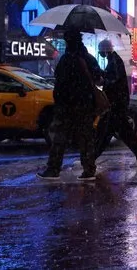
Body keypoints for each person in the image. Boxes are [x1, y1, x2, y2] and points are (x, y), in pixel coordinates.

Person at [37, 30, 99, 181]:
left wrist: (60, 99)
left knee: (59, 137)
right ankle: (89, 169)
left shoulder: (66, 60)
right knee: (85, 137)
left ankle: (53, 169)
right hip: (85, 104)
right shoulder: (89, 59)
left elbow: (60, 83)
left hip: (66, 105)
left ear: (68, 42)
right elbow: (98, 78)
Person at [93, 39, 137, 167]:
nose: (100, 53)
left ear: (105, 50)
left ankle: (90, 159)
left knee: (106, 132)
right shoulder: (113, 60)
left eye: (100, 50)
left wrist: (103, 80)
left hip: (116, 103)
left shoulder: (114, 61)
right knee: (121, 131)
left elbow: (114, 81)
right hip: (117, 102)